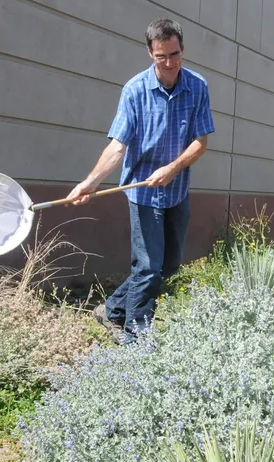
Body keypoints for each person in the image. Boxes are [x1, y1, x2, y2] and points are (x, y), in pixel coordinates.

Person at [66, 18, 215, 343]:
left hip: (177, 191)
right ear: (150, 53)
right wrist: (90, 182)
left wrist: (172, 168)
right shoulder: (134, 91)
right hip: (143, 195)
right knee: (148, 267)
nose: (170, 63)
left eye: (174, 54)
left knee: (168, 266)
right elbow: (117, 146)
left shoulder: (197, 86)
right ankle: (136, 338)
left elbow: (200, 142)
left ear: (182, 49)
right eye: (162, 56)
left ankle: (113, 308)